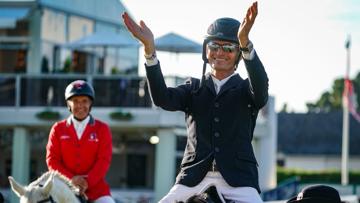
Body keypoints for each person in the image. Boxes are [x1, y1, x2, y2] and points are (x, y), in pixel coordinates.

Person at [122, 1, 268, 202]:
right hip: (193, 178)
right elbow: (162, 99)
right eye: (214, 46)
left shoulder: (246, 89)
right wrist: (149, 50)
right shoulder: (193, 87)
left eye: (229, 48)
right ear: (206, 51)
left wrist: (245, 42)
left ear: (238, 55)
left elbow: (261, 93)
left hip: (239, 179)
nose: (220, 52)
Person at [46, 80, 115, 203]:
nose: (80, 105)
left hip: (97, 191)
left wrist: (87, 182)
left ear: (90, 104)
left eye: (85, 101)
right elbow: (52, 160)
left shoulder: (102, 129)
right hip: (64, 189)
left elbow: (104, 160)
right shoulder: (57, 129)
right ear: (68, 104)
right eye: (76, 101)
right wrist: (71, 179)